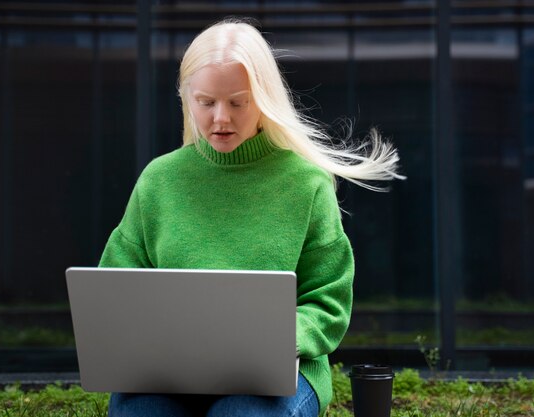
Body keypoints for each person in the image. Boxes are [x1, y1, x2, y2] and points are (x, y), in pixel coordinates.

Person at [100, 17, 403, 417]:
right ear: (185, 98)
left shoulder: (305, 183)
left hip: (280, 376)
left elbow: (328, 299)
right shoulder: (159, 180)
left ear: (264, 98)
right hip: (167, 374)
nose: (221, 118)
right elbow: (116, 288)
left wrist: (282, 340)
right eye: (206, 102)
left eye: (238, 102)